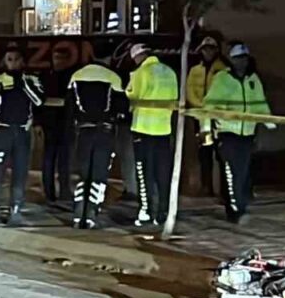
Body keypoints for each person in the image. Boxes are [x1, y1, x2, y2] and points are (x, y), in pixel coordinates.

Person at [203, 41, 274, 224]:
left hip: (247, 133)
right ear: (232, 60)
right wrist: (207, 128)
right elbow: (209, 104)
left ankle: (239, 206)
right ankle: (235, 210)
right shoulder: (222, 79)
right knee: (230, 172)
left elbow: (260, 103)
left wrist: (268, 120)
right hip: (228, 132)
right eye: (237, 59)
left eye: (244, 59)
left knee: (242, 172)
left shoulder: (253, 79)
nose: (241, 62)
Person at [0, 50, 44, 227]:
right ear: (4, 61)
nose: (13, 63)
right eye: (9, 59)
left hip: (23, 133)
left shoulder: (31, 81)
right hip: (2, 132)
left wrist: (22, 83)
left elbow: (39, 102)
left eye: (17, 59)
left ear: (22, 61)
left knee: (20, 172)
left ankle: (15, 211)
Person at [66, 57, 129, 228]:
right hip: (104, 131)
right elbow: (122, 106)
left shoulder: (76, 76)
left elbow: (69, 106)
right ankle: (92, 214)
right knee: (99, 174)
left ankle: (79, 215)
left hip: (83, 130)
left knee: (83, 174)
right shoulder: (112, 77)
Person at [125, 43, 179, 226]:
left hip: (143, 128)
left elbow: (132, 94)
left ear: (138, 57)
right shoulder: (170, 72)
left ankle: (146, 211)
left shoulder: (141, 73)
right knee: (163, 173)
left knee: (144, 173)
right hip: (164, 128)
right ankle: (163, 212)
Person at [185, 34, 227, 196]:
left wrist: (213, 107)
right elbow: (190, 91)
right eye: (205, 49)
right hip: (201, 117)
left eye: (211, 49)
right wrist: (201, 107)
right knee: (205, 153)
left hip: (218, 117)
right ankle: (206, 185)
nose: (207, 52)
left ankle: (223, 189)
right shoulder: (195, 70)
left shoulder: (223, 69)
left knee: (221, 154)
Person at [36, 47, 74, 204]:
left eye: (61, 58)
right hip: (49, 123)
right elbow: (38, 101)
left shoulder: (71, 76)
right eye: (56, 58)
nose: (58, 62)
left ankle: (64, 190)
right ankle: (49, 191)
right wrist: (37, 123)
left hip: (65, 122)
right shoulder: (45, 76)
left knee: (64, 159)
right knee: (49, 158)